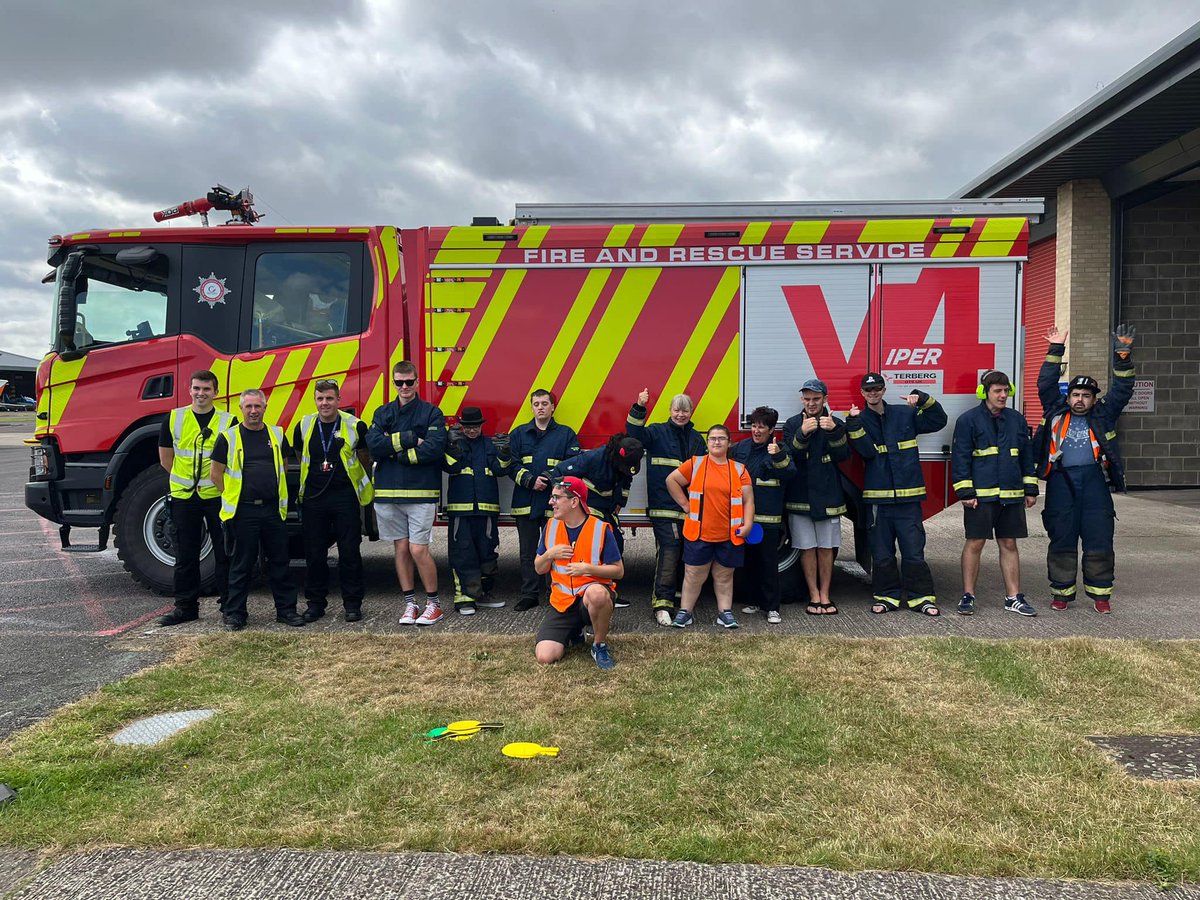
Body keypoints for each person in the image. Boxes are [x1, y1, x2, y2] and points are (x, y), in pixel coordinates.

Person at [1035, 324, 1137, 614]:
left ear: (1094, 399)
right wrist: (1056, 348)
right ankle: (1062, 594)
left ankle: (1100, 596)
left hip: (1095, 485)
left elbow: (1123, 389)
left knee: (1099, 540)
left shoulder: (1104, 415)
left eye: (1086, 395)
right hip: (1061, 483)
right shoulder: (1054, 411)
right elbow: (1045, 383)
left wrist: (1123, 354)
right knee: (1062, 540)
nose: (1080, 400)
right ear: (1068, 398)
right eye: (1076, 394)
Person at [846, 373, 947, 616]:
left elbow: (938, 420)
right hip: (879, 500)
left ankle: (921, 598)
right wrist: (852, 423)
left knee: (914, 552)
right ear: (862, 393)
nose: (873, 393)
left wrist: (923, 400)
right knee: (882, 553)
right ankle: (886, 596)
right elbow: (866, 453)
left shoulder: (905, 414)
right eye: (868, 390)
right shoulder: (859, 420)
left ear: (883, 389)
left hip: (909, 499)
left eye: (877, 388)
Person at [209, 389, 303, 630]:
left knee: (280, 563)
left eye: (257, 406)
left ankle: (286, 611)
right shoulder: (227, 438)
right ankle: (235, 614)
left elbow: (282, 468)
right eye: (248, 407)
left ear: (265, 407)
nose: (253, 411)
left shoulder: (277, 435)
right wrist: (232, 498)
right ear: (241, 409)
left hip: (273, 511)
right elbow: (215, 474)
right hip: (244, 512)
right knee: (241, 565)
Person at [951, 370, 1039, 617]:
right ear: (984, 392)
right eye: (997, 391)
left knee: (1009, 543)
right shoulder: (968, 420)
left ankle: (1013, 597)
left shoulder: (1017, 420)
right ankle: (968, 595)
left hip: (1010, 494)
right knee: (976, 542)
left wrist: (1030, 488)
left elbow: (1026, 456)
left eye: (1006, 390)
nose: (1003, 395)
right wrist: (965, 491)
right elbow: (960, 459)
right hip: (980, 495)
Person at [366, 361, 448, 626]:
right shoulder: (382, 412)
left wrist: (396, 450)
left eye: (409, 382)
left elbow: (435, 448)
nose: (404, 387)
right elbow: (373, 446)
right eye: (398, 382)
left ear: (417, 381)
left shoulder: (432, 413)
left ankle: (434, 605)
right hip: (388, 494)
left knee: (418, 549)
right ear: (393, 382)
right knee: (400, 549)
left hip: (420, 493)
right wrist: (412, 438)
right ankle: (410, 604)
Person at [156, 369, 236, 626]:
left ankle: (228, 607)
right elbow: (166, 458)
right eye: (197, 389)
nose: (201, 393)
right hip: (183, 497)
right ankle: (185, 607)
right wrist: (186, 481)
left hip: (216, 496)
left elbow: (234, 460)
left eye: (206, 389)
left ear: (216, 392)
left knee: (225, 553)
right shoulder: (174, 418)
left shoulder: (229, 421)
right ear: (189, 390)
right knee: (185, 555)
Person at [292, 379, 373, 623]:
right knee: (314, 554)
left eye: (329, 398)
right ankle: (315, 604)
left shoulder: (356, 426)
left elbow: (365, 458)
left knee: (350, 552)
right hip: (314, 498)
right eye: (320, 399)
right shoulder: (304, 425)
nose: (324, 403)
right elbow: (299, 454)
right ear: (315, 400)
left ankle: (352, 604)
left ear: (338, 400)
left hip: (344, 497)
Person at [626, 389, 706, 626]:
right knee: (670, 550)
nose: (681, 414)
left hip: (690, 509)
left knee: (687, 554)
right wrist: (639, 407)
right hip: (664, 507)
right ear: (670, 411)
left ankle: (680, 602)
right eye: (677, 409)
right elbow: (634, 434)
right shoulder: (657, 432)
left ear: (691, 413)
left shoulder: (697, 440)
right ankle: (662, 603)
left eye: (685, 410)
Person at [666, 424, 755, 629]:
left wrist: (748, 524)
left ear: (729, 443)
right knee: (693, 575)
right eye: (712, 438)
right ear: (707, 444)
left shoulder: (739, 469)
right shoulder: (695, 464)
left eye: (721, 438)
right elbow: (671, 480)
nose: (716, 442)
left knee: (724, 576)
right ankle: (685, 612)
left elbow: (748, 500)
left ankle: (725, 613)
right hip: (699, 533)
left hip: (729, 534)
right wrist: (685, 505)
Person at [533, 476, 623, 670]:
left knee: (597, 594)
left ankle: (599, 645)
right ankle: (575, 632)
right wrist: (549, 554)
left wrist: (588, 569)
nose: (551, 502)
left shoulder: (599, 528)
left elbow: (618, 571)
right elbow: (539, 568)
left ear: (574, 502)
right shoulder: (550, 526)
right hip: (562, 603)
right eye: (551, 497)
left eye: (557, 498)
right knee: (545, 656)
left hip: (589, 599)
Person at [547, 432, 645, 608]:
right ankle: (587, 594)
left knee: (616, 543)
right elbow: (560, 473)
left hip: (607, 508)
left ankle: (607, 592)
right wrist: (571, 503)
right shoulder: (593, 458)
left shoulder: (625, 463)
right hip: (588, 507)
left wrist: (620, 502)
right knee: (594, 549)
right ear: (616, 455)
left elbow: (625, 481)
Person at [781, 379, 850, 615]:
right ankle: (813, 595)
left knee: (826, 548)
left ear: (825, 399)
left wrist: (834, 431)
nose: (811, 403)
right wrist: (802, 433)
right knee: (806, 548)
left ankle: (825, 595)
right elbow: (790, 455)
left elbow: (843, 455)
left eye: (816, 399)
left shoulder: (836, 423)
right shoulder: (792, 424)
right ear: (802, 399)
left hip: (829, 496)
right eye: (807, 399)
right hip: (800, 496)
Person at [509, 389, 582, 611]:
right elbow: (510, 464)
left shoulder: (566, 434)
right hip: (526, 500)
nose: (540, 407)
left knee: (557, 550)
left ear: (553, 407)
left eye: (544, 404)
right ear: (531, 408)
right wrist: (530, 480)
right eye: (536, 404)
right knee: (528, 551)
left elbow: (574, 464)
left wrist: (550, 479)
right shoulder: (519, 434)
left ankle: (557, 593)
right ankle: (529, 594)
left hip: (555, 503)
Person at [443, 406, 511, 615]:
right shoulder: (455, 444)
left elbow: (501, 469)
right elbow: (450, 467)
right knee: (463, 554)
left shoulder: (489, 444)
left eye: (475, 427)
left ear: (482, 426)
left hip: (486, 509)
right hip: (461, 509)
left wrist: (505, 452)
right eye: (468, 427)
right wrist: (452, 445)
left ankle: (482, 594)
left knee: (487, 553)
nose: (472, 431)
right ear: (462, 427)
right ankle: (464, 598)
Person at [731, 406, 795, 624]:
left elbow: (789, 473)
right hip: (744, 519)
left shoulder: (779, 449)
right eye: (754, 426)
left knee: (768, 564)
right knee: (748, 563)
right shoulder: (741, 448)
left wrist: (778, 456)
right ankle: (754, 601)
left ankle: (772, 608)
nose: (757, 431)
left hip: (768, 519)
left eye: (762, 427)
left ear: (771, 430)